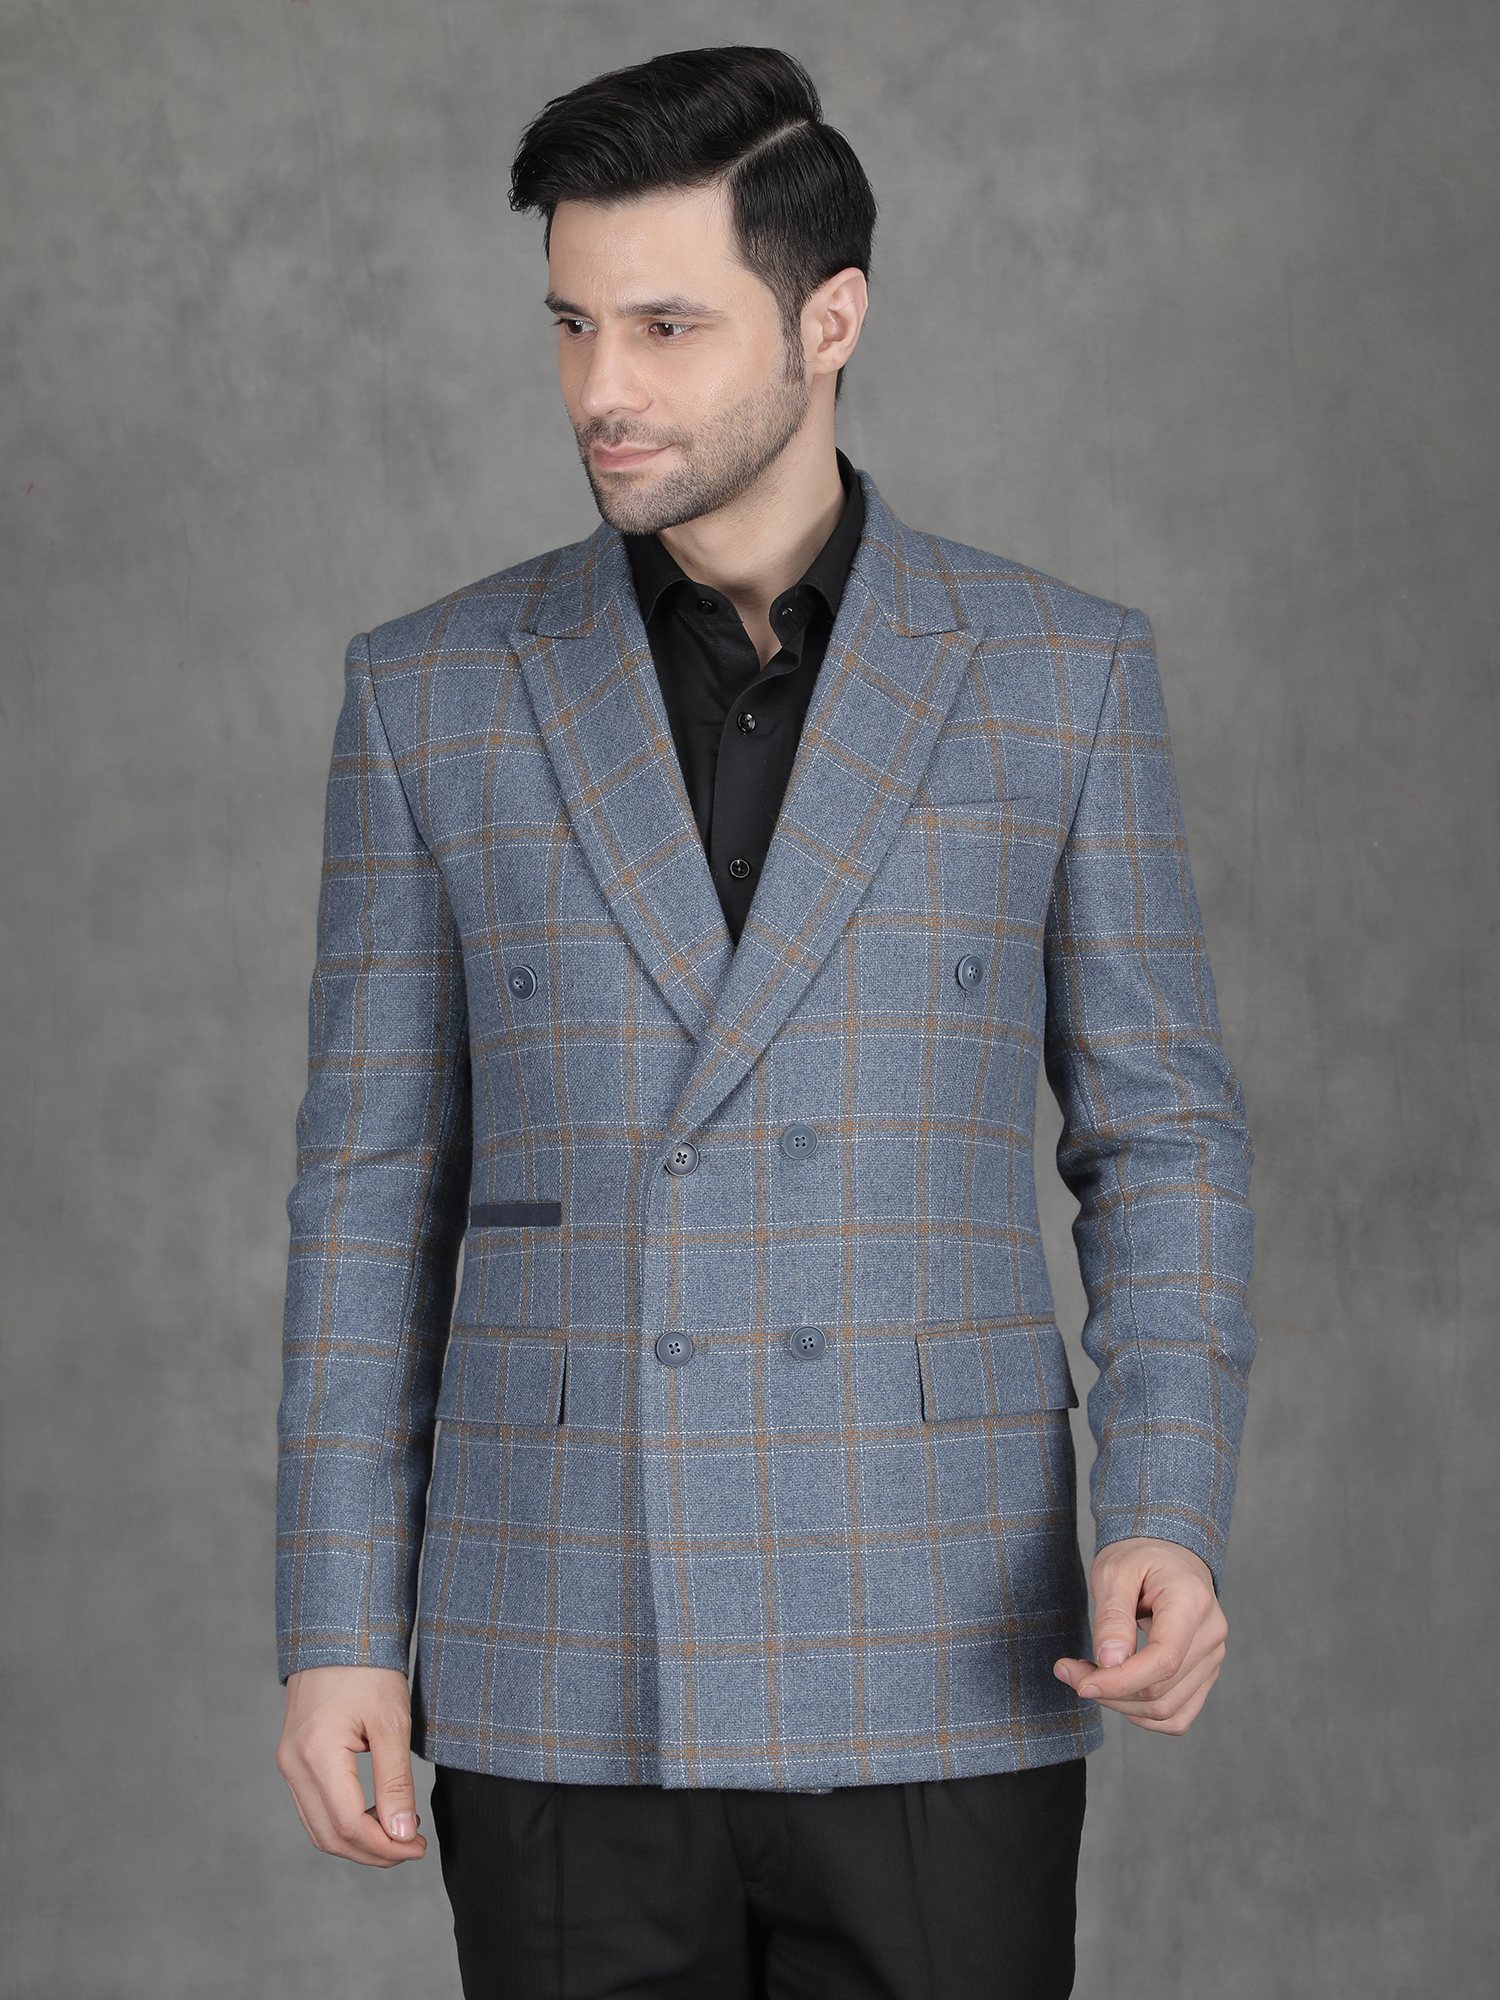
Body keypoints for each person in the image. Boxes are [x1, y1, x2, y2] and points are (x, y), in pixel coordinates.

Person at [274, 45, 1255, 1999]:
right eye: (571, 325)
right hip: (561, 1646)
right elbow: (369, 1199)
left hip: (940, 1630)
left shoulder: (1056, 680)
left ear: (830, 321)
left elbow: (1162, 1139)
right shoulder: (432, 695)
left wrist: (1166, 1500)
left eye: (666, 326)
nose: (602, 389)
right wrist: (335, 1622)